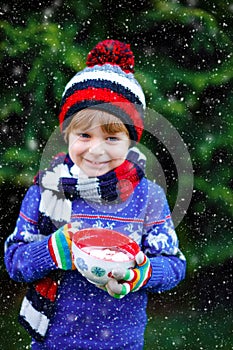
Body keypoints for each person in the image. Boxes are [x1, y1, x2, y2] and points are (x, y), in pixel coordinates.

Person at [4, 39, 186, 350]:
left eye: (112, 137)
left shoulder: (147, 197)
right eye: (84, 135)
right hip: (53, 341)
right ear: (67, 135)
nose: (96, 149)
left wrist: (143, 273)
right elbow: (15, 260)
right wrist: (52, 251)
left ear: (131, 141)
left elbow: (174, 264)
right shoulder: (46, 190)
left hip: (120, 341)